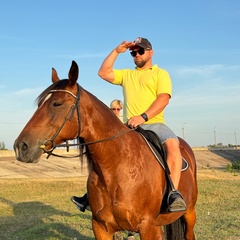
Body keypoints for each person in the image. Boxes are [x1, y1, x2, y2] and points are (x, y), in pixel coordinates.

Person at [71, 37, 186, 214]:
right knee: (102, 151)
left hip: (154, 123)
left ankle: (173, 194)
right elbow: (103, 72)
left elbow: (163, 99)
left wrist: (143, 117)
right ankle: (90, 195)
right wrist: (117, 51)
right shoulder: (127, 74)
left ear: (151, 52)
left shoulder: (160, 74)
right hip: (129, 126)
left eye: (140, 51)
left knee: (173, 144)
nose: (136, 55)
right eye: (133, 53)